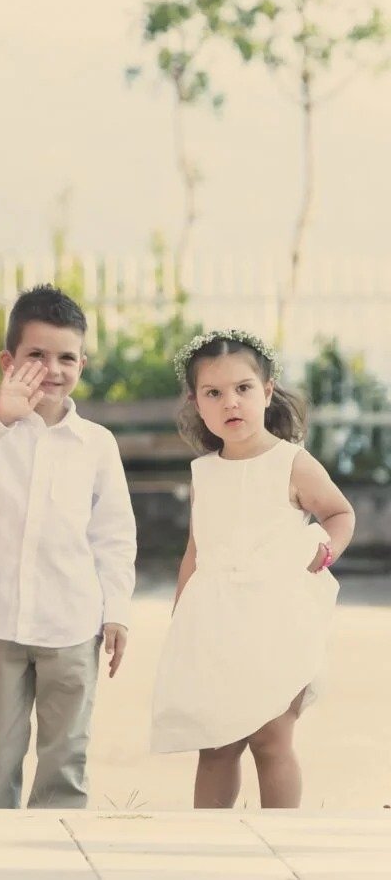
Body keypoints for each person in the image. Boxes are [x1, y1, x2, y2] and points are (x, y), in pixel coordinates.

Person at [0, 285, 138, 809]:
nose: (52, 369)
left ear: (82, 364)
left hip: (72, 625)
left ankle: (56, 841)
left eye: (66, 357)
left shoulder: (97, 445)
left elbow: (114, 535)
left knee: (65, 756)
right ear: (9, 361)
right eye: (37, 355)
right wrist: (0, 416)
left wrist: (116, 610)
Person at [151, 330, 355, 809]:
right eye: (213, 393)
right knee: (216, 744)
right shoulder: (204, 472)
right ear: (196, 403)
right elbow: (196, 550)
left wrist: (326, 550)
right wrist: (182, 618)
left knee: (271, 737)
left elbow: (340, 512)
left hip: (275, 619)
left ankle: (278, 837)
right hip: (215, 625)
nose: (231, 402)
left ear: (266, 391)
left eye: (243, 388)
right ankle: (212, 841)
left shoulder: (291, 463)